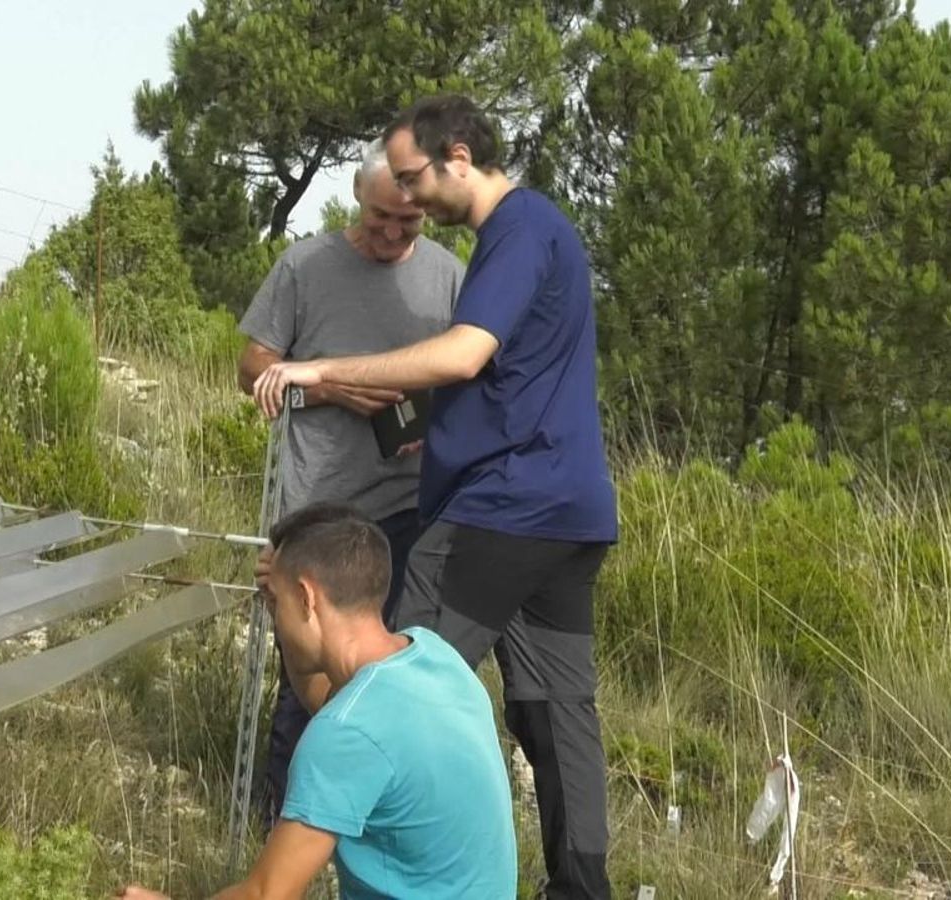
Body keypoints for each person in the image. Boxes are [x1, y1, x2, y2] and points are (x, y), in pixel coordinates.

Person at [252, 94, 619, 899]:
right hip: (571, 514)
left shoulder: (516, 230)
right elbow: (512, 379)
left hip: (501, 511)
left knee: (380, 679)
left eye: (416, 179)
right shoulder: (538, 233)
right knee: (558, 716)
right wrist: (439, 429)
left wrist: (323, 369)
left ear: (458, 156)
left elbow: (462, 354)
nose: (410, 199)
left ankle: (299, 873)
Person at [115, 503, 517, 900]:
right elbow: (329, 697)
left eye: (277, 602)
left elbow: (268, 895)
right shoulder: (432, 657)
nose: (274, 615)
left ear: (307, 597)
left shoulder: (347, 731)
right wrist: (282, 596)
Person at [235, 141, 462, 825]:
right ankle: (283, 822)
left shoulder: (451, 279)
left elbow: (469, 375)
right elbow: (252, 368)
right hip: (317, 512)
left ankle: (371, 825)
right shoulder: (304, 265)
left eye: (409, 222)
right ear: (355, 202)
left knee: (389, 679)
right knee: (305, 677)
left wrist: (435, 421)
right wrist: (335, 388)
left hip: (408, 510)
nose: (392, 233)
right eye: (379, 218)